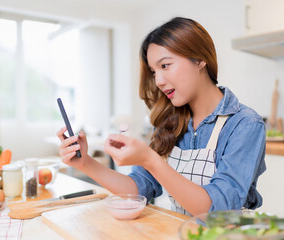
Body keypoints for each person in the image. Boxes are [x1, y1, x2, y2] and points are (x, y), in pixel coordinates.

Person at [57, 17, 266, 216]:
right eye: (154, 71)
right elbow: (138, 190)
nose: (158, 81)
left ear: (200, 59)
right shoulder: (171, 123)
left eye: (165, 65)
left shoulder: (244, 124)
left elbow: (219, 209)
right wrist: (85, 163)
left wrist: (150, 160)